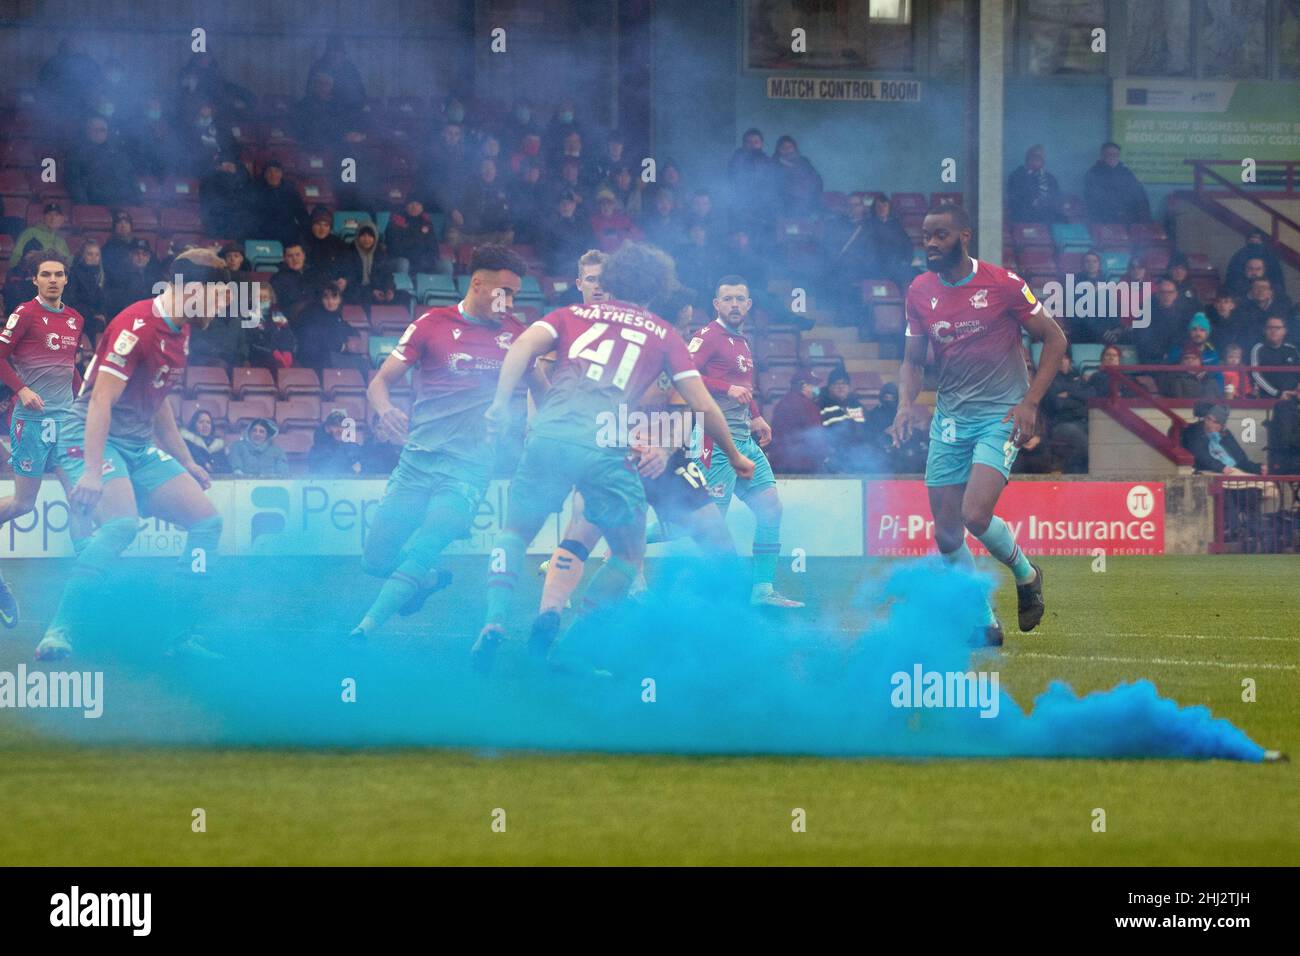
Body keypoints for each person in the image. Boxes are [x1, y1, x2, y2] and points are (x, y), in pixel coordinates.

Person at [475, 243, 754, 670]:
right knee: (627, 552)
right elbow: (703, 404)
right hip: (611, 447)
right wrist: (734, 453)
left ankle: (504, 621)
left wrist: (499, 403)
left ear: (609, 281)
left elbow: (521, 349)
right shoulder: (662, 333)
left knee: (519, 531)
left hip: (566, 438)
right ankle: (571, 647)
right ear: (659, 289)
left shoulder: (568, 316)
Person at [532, 251, 740, 640]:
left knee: (590, 533)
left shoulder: (620, 335)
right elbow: (694, 408)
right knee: (699, 541)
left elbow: (685, 410)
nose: (689, 325)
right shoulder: (653, 337)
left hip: (631, 449)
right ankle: (574, 624)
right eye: (687, 319)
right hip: (632, 450)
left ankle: (559, 616)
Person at [38, 249, 232, 661]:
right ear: (194, 290)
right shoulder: (136, 325)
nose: (225, 304)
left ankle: (181, 639)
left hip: (138, 444)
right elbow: (99, 403)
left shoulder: (182, 329)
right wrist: (91, 471)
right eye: (220, 295)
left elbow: (158, 402)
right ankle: (59, 630)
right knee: (122, 525)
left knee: (207, 524)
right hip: (90, 434)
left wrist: (186, 460)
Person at [893, 204, 1066, 644]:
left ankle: (1027, 575)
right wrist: (903, 405)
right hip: (950, 418)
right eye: (927, 235)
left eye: (941, 235)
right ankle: (984, 619)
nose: (931, 243)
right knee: (946, 532)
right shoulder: (919, 291)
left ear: (964, 236)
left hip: (1001, 415)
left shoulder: (1002, 284)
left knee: (974, 514)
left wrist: (1030, 402)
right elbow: (913, 362)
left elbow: (1055, 339)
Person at [350, 246, 534, 641]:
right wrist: (385, 411)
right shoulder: (431, 324)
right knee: (375, 560)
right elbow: (379, 383)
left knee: (428, 539)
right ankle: (428, 580)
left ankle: (363, 630)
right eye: (504, 291)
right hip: (417, 461)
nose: (510, 302)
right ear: (477, 284)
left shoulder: (517, 336)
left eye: (516, 294)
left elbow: (546, 392)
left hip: (470, 465)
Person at [684, 275, 803, 607]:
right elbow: (684, 376)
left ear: (749, 304)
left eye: (740, 299)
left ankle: (762, 590)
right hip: (714, 441)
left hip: (742, 438)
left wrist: (755, 414)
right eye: (728, 299)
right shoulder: (707, 336)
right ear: (716, 304)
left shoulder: (741, 340)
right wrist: (725, 390)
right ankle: (621, 538)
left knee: (770, 509)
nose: (734, 304)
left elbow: (740, 384)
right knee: (701, 523)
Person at [0, 254, 90, 625]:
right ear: (35, 280)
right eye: (45, 275)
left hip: (66, 421)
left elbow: (69, 368)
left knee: (82, 499)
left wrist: (83, 401)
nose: (52, 280)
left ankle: (88, 587)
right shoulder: (24, 314)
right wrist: (20, 390)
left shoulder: (75, 319)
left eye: (59, 275)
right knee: (24, 504)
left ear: (66, 280)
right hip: (33, 422)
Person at [766, 370, 824, 474]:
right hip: (803, 465)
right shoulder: (809, 406)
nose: (816, 389)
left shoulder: (781, 403)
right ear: (803, 385)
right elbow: (816, 437)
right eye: (813, 385)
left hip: (779, 463)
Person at [1181, 403, 1263, 475]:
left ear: (1222, 426)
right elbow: (1201, 455)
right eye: (1208, 419)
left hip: (1233, 471)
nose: (1210, 424)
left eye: (1216, 422)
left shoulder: (1225, 434)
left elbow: (1240, 458)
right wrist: (1221, 468)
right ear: (1205, 418)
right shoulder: (1194, 430)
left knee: (1266, 485)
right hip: (1210, 472)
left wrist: (1257, 468)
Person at [1043, 353, 1090, 473]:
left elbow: (1089, 398)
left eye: (1064, 358)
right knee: (1089, 448)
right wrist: (1078, 400)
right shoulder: (1048, 380)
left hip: (1082, 421)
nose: (1061, 361)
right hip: (1060, 424)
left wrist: (1069, 394)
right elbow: (1057, 404)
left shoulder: (1078, 378)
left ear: (1069, 361)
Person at [819, 369, 873, 472]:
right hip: (834, 463)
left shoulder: (857, 406)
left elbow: (868, 431)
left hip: (859, 460)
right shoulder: (822, 406)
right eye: (836, 384)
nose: (841, 387)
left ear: (849, 387)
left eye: (844, 383)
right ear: (829, 387)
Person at [1083, 142, 1150, 225]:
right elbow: (1095, 199)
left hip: (1129, 216)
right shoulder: (1094, 173)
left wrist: (1144, 216)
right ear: (1102, 156)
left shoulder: (1126, 172)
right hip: (1105, 218)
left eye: (1116, 154)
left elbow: (1139, 194)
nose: (1113, 157)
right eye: (1109, 154)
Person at [65, 240, 110, 341]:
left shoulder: (100, 275)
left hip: (94, 317)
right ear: (82, 255)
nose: (94, 258)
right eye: (90, 254)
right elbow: (72, 300)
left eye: (97, 255)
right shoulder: (73, 274)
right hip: (78, 316)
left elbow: (102, 300)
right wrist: (93, 314)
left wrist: (101, 314)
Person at [245, 284, 297, 372]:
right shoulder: (248, 316)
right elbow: (252, 340)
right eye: (258, 297)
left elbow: (288, 335)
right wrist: (273, 351)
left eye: (265, 297)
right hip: (259, 356)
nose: (261, 300)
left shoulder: (277, 315)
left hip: (281, 354)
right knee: (277, 367)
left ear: (271, 299)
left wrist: (287, 351)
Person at [1006, 145, 1063, 223]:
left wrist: (1048, 203)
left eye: (1040, 158)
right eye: (1035, 157)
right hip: (1024, 218)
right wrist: (1033, 202)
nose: (1038, 160)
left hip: (1047, 218)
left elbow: (1057, 197)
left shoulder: (1050, 178)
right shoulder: (1016, 176)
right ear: (1028, 159)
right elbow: (1014, 199)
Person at [1249, 316, 1300, 400]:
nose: (1273, 331)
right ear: (1264, 331)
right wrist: (1277, 394)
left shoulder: (1292, 349)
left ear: (1285, 331)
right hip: (1267, 399)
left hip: (1293, 397)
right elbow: (1255, 375)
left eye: (1278, 328)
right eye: (1270, 327)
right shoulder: (1258, 349)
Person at [9, 203, 72, 270]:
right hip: (33, 273)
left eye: (57, 215)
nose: (53, 218)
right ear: (43, 217)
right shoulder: (30, 233)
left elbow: (67, 262)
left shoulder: (60, 239)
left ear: (62, 219)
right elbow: (14, 260)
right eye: (49, 214)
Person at [1226, 230, 1287, 298]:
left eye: (1257, 241)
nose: (1254, 272)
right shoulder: (1238, 257)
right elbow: (1231, 282)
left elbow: (1278, 285)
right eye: (1252, 242)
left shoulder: (1271, 259)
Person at [308, 409, 362, 476]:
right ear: (327, 428)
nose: (339, 430)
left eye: (342, 426)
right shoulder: (317, 450)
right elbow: (316, 472)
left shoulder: (355, 449)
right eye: (335, 426)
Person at [181, 408, 227, 474]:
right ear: (194, 424)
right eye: (201, 422)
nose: (205, 426)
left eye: (208, 422)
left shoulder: (219, 445)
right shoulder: (187, 442)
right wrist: (205, 465)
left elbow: (226, 468)